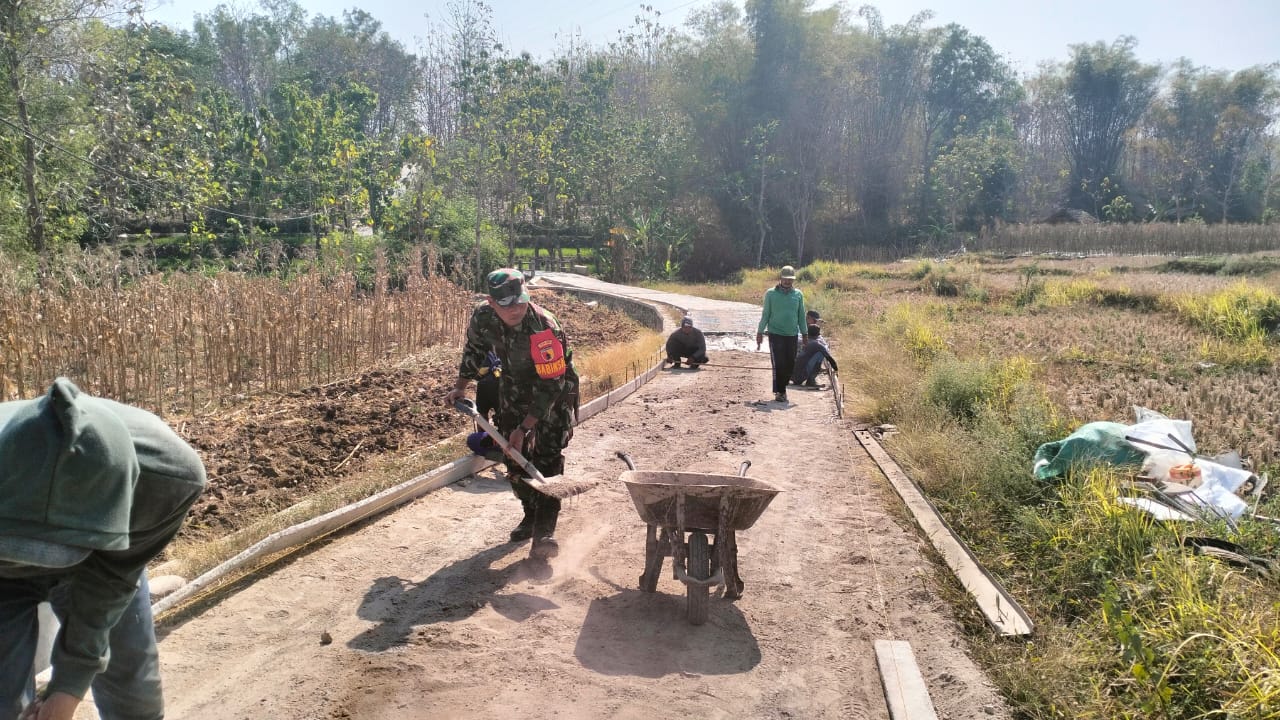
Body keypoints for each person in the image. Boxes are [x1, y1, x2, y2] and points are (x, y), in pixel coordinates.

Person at [0, 377, 207, 720]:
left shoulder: (168, 479)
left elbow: (110, 581)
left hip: (99, 562)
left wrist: (68, 688)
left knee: (132, 691)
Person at [444, 269, 579, 560]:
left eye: (520, 301)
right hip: (513, 390)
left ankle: (544, 536)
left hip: (553, 394)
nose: (516, 309)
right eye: (507, 305)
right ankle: (530, 515)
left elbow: (552, 384)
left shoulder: (544, 328)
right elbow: (474, 351)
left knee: (547, 459)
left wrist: (526, 427)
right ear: (491, 302)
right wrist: (460, 387)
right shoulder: (483, 317)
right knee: (514, 458)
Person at [756, 265, 807, 403]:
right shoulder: (771, 294)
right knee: (779, 363)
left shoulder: (798, 294)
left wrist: (805, 334)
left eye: (790, 279)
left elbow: (801, 316)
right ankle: (780, 391)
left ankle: (782, 388)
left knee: (790, 363)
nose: (787, 282)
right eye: (785, 279)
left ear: (793, 280)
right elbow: (765, 315)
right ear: (780, 278)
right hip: (775, 333)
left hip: (792, 334)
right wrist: (760, 332)